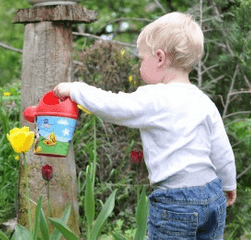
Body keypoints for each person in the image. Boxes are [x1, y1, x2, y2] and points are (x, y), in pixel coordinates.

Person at [53, 12, 236, 239]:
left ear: (159, 58)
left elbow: (113, 105)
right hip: (212, 195)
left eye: (141, 59)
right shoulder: (203, 101)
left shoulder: (154, 97)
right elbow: (222, 149)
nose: (139, 65)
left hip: (176, 202)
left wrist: (75, 90)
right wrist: (228, 183)